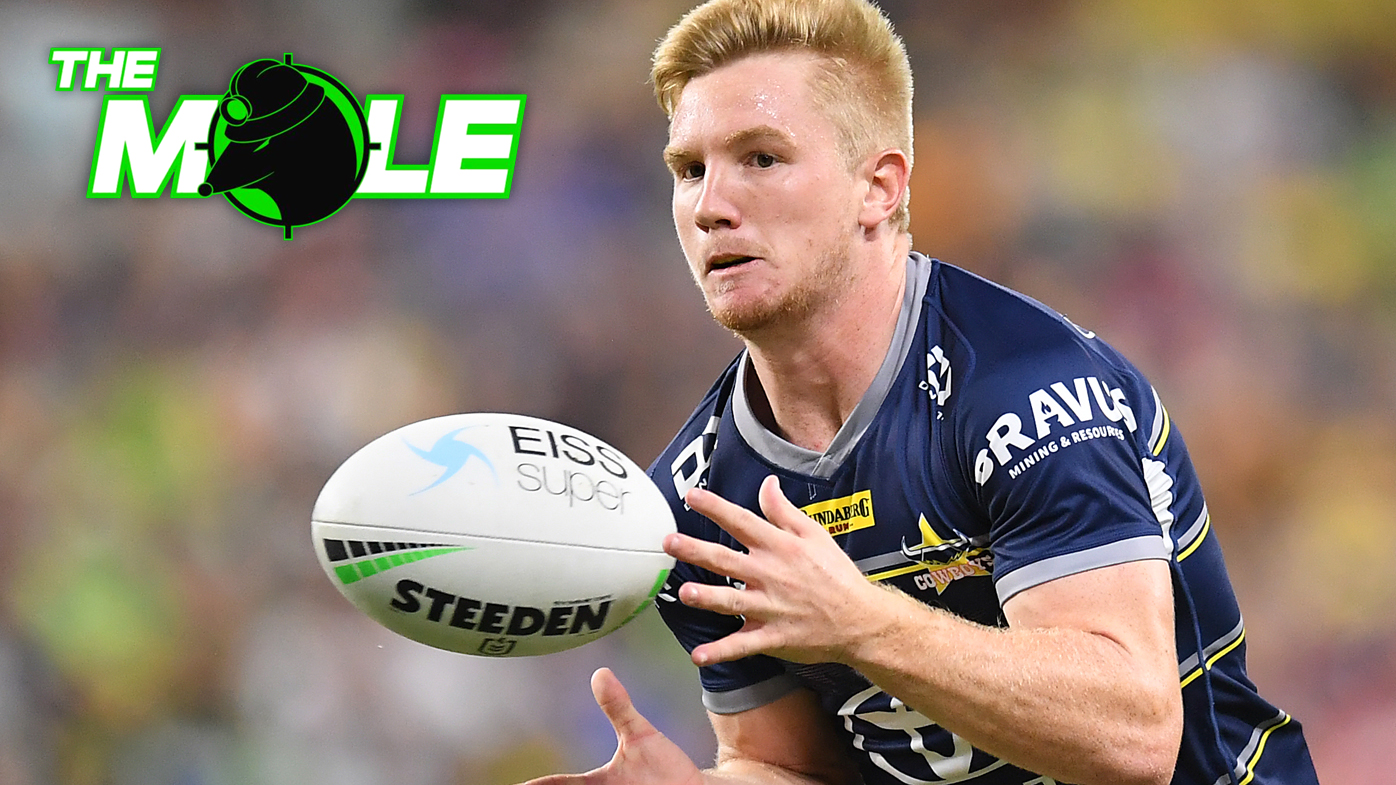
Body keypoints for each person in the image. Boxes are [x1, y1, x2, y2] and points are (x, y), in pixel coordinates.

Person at [524, 0, 1319, 783]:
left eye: (761, 158)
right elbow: (791, 765)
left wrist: (859, 622)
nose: (710, 207)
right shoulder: (697, 502)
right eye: (689, 170)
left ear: (878, 188)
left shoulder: (1028, 393)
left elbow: (1134, 736)